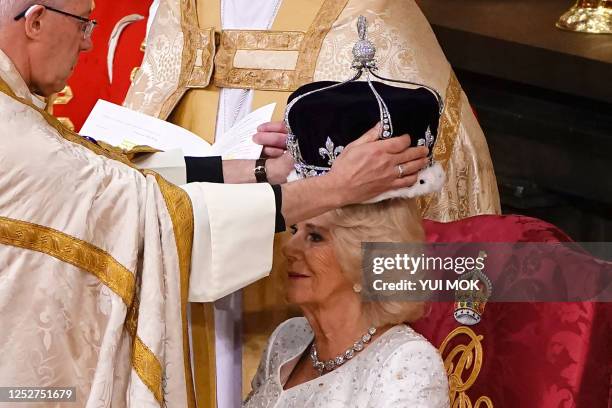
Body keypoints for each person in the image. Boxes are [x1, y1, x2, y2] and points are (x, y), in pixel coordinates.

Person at [0, 0, 428, 406]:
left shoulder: (403, 364)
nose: (90, 41)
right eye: (83, 23)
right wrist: (336, 189)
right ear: (35, 21)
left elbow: (115, 173)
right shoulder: (289, 345)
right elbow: (153, 213)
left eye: (315, 235)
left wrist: (256, 172)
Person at [244, 199, 449, 407]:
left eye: (315, 237)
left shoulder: (405, 363)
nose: (289, 247)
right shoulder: (287, 337)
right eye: (294, 230)